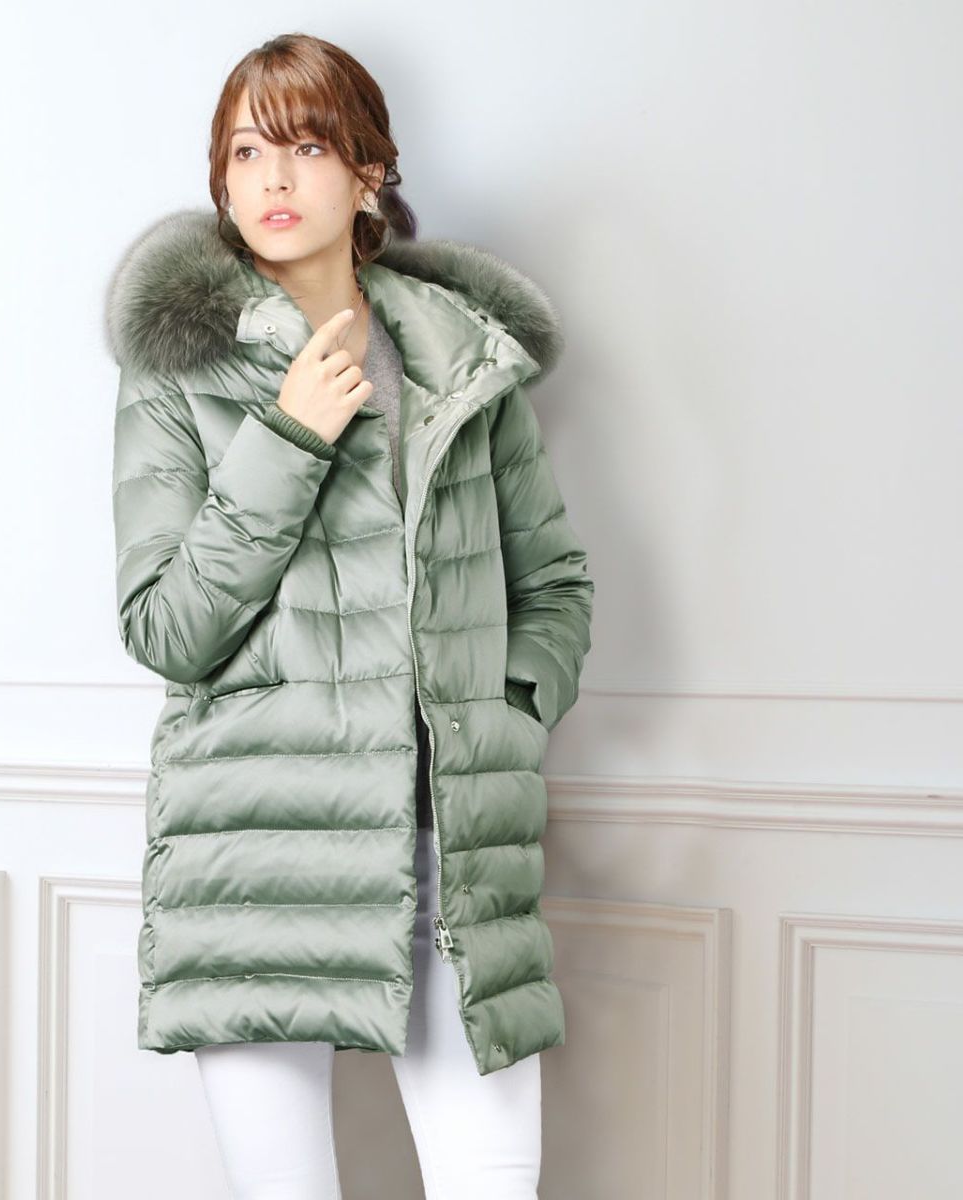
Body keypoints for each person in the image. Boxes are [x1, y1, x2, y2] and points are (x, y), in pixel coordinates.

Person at [106, 32, 594, 1200]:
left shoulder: (464, 360)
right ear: (221, 180)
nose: (274, 178)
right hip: (256, 856)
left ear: (370, 171)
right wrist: (288, 439)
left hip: (449, 852)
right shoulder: (182, 370)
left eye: (309, 146)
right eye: (246, 152)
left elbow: (555, 586)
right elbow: (167, 628)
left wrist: (501, 712)